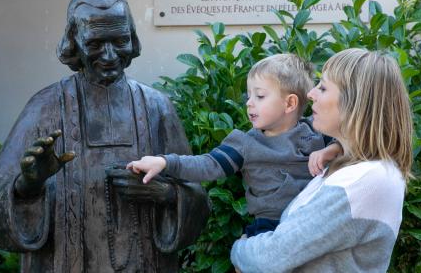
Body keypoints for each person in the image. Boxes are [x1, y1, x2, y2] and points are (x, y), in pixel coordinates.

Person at [0, 0, 210, 272]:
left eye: (120, 41)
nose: (109, 55)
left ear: (131, 39)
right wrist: (26, 186)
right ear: (74, 41)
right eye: (95, 43)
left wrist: (166, 195)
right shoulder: (44, 107)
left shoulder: (157, 107)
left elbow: (198, 198)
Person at [230, 48, 413, 272]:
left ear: (354, 102)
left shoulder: (365, 181)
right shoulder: (345, 168)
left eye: (323, 87)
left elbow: (271, 257)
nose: (311, 94)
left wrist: (240, 248)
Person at [127, 53, 342, 237]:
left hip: (313, 221)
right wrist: (165, 162)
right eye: (249, 96)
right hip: (269, 229)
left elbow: (352, 146)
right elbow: (208, 165)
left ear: (290, 103)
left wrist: (330, 150)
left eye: (259, 96)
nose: (249, 103)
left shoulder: (316, 133)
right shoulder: (244, 143)